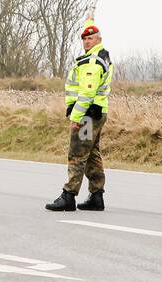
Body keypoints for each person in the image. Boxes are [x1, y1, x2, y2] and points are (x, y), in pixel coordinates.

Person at [46, 25, 112, 212]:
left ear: (98, 39)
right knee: (92, 153)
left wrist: (76, 117)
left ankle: (69, 196)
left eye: (90, 38)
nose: (86, 41)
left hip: (87, 115)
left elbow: (87, 93)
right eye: (84, 38)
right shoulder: (102, 55)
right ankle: (96, 196)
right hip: (96, 112)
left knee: (77, 154)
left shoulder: (92, 62)